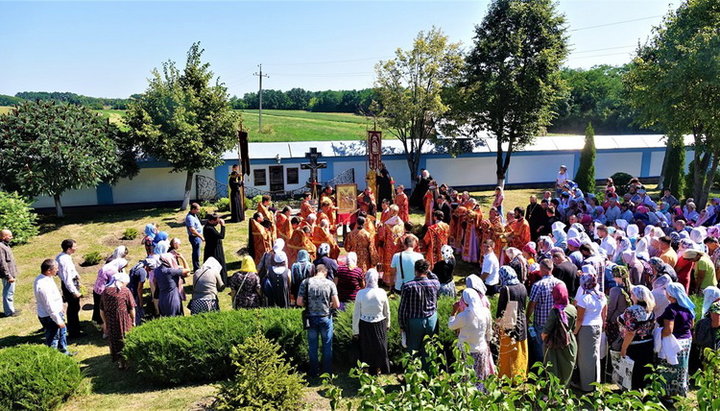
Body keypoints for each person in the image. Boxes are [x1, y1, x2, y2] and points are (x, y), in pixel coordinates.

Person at [297, 264, 340, 377]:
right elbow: (337, 304)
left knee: (312, 346)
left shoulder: (305, 282)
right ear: (325, 272)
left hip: (310, 318)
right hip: (325, 317)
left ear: (315, 271)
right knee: (327, 345)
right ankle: (327, 371)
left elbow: (299, 302)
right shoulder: (330, 283)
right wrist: (328, 305)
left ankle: (313, 371)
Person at [449, 288, 496, 390]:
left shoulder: (464, 315)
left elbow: (451, 326)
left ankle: (467, 399)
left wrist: (453, 312)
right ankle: (481, 395)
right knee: (480, 376)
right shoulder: (485, 312)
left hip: (465, 351)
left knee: (466, 378)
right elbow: (489, 331)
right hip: (481, 349)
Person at [658, 283, 695, 397]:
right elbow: (691, 325)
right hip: (686, 340)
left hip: (673, 342)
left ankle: (668, 394)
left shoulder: (671, 309)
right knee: (682, 369)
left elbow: (668, 330)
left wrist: (658, 334)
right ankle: (680, 392)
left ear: (671, 295)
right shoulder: (688, 307)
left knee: (669, 368)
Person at [573, 270, 607, 393]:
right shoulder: (601, 296)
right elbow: (604, 313)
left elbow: (580, 319)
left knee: (585, 358)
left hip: (586, 328)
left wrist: (575, 332)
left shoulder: (584, 299)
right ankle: (595, 383)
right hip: (598, 325)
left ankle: (586, 386)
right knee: (595, 356)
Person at [398, 259, 440, 356]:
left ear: (415, 270)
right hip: (431, 320)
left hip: (414, 321)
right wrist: (428, 271)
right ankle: (429, 370)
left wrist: (402, 325)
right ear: (427, 270)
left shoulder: (407, 286)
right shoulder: (434, 284)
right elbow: (435, 278)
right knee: (429, 349)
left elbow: (402, 309)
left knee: (413, 349)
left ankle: (413, 370)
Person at [352, 268, 391, 374]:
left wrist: (355, 330)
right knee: (379, 347)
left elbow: (356, 313)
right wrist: (388, 323)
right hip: (379, 323)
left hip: (365, 324)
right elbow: (386, 310)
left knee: (366, 347)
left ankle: (366, 368)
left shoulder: (361, 293)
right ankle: (378, 368)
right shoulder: (382, 292)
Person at [619, 285, 656, 390]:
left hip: (635, 346)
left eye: (632, 294)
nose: (631, 296)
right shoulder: (649, 309)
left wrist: (623, 348)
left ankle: (634, 394)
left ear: (636, 296)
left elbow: (631, 332)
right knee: (645, 371)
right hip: (648, 343)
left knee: (634, 372)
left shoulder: (631, 311)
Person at [527, 258, 563, 366]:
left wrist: (527, 316)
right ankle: (553, 370)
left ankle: (541, 373)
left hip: (541, 322)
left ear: (542, 269)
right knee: (554, 348)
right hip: (556, 321)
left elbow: (532, 304)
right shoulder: (559, 283)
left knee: (540, 349)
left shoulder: (538, 285)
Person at [541, 282, 577, 385]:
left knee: (554, 369)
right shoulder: (572, 308)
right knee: (567, 367)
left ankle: (554, 393)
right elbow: (573, 327)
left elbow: (546, 332)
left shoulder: (554, 311)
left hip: (555, 343)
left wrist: (544, 339)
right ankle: (565, 390)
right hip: (569, 341)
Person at [496, 266, 528, 380]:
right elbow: (524, 304)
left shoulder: (506, 289)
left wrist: (497, 322)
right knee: (520, 350)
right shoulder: (522, 286)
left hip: (509, 322)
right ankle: (520, 375)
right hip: (522, 320)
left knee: (508, 351)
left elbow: (501, 309)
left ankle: (507, 376)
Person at [34, 259, 71, 354]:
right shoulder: (42, 285)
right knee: (53, 338)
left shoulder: (47, 278)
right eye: (56, 268)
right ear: (48, 271)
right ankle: (54, 357)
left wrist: (61, 307)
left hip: (56, 313)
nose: (57, 270)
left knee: (62, 333)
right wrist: (58, 320)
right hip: (50, 317)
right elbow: (49, 305)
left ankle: (64, 352)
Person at [100, 271, 135, 368]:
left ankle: (120, 362)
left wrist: (105, 322)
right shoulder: (125, 291)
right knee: (125, 338)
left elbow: (101, 310)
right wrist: (134, 320)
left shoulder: (105, 291)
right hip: (123, 318)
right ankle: (126, 360)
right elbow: (131, 308)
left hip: (110, 320)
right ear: (121, 282)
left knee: (114, 340)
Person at [56, 239, 82, 338]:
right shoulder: (64, 260)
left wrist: (76, 274)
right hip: (70, 285)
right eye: (74, 247)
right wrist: (74, 291)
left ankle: (75, 326)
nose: (76, 248)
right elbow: (67, 278)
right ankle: (74, 332)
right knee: (73, 308)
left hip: (70, 283)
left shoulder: (62, 256)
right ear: (69, 249)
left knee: (74, 308)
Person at [93, 256, 128, 329]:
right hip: (103, 292)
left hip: (96, 290)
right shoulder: (113, 271)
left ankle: (99, 323)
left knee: (98, 307)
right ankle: (105, 328)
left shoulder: (107, 266)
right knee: (104, 308)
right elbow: (113, 283)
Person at [203, 213, 228, 283]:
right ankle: (220, 281)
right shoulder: (209, 228)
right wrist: (223, 226)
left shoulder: (209, 226)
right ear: (211, 221)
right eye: (216, 222)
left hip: (214, 248)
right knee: (217, 265)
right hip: (213, 250)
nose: (217, 223)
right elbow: (221, 236)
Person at [0, 230, 19, 318]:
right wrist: (8, 276)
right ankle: (9, 312)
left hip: (11, 273)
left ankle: (11, 309)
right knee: (8, 293)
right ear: (4, 237)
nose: (11, 238)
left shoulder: (5, 245)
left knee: (10, 292)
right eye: (10, 236)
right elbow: (2, 263)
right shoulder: (1, 247)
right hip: (8, 275)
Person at [185, 203, 204, 271]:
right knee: (196, 253)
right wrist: (201, 236)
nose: (199, 211)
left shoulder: (194, 215)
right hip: (195, 238)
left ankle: (197, 266)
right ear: (193, 209)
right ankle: (196, 268)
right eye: (197, 209)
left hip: (197, 237)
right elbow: (192, 230)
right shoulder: (190, 218)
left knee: (197, 252)